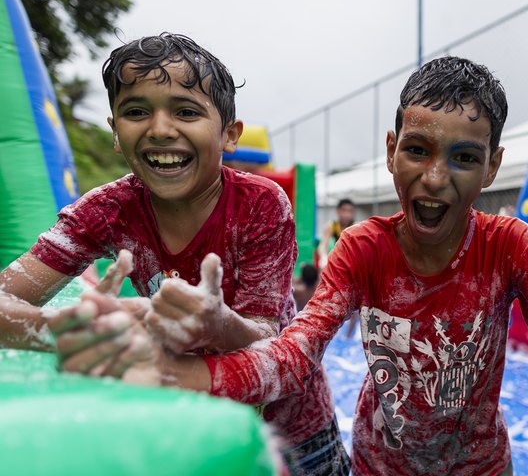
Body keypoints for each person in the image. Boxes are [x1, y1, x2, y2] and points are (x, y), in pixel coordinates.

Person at [54, 56, 528, 476]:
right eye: (419, 151)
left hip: (483, 465)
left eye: (464, 158)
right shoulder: (365, 247)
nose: (435, 180)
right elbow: (297, 354)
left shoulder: (510, 246)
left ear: (492, 165)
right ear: (394, 148)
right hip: (379, 465)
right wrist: (188, 373)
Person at [0, 32, 348, 475]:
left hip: (293, 427)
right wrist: (65, 327)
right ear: (114, 131)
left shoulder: (261, 205)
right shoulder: (105, 211)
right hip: (184, 424)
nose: (160, 129)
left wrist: (219, 325)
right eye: (136, 111)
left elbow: (269, 336)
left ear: (229, 135)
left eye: (185, 111)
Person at [316, 198, 355, 270]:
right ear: (338, 211)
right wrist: (323, 256)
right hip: (339, 260)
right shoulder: (332, 225)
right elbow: (323, 244)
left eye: (349, 211)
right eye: (344, 210)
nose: (346, 214)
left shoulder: (356, 226)